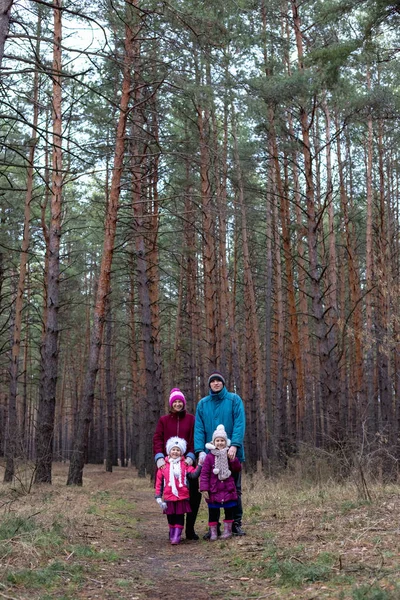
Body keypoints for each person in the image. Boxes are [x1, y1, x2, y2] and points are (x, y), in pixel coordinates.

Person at [194, 371, 246, 536]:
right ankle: (213, 527)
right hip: (211, 457)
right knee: (212, 490)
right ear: (209, 385)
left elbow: (239, 423)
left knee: (234, 490)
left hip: (231, 454)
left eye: (218, 381)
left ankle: (235, 524)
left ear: (223, 383)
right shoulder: (203, 404)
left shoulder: (234, 400)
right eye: (213, 381)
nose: (216, 383)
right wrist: (200, 451)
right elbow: (199, 429)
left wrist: (235, 445)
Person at [153, 387, 201, 540]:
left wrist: (191, 456)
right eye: (175, 402)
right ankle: (174, 529)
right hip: (168, 465)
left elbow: (195, 439)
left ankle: (190, 529)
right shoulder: (164, 421)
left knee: (193, 495)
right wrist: (160, 458)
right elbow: (157, 439)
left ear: (184, 403)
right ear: (171, 404)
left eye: (180, 402)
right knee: (171, 497)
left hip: (187, 464)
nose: (178, 404)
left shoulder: (191, 419)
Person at [154, 436, 201, 545]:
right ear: (169, 451)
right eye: (173, 449)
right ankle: (172, 532)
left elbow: (193, 475)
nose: (175, 452)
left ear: (181, 452)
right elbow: (159, 482)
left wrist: (200, 466)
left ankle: (177, 536)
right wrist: (158, 495)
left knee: (180, 516)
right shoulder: (163, 466)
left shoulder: (184, 465)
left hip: (182, 496)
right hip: (168, 497)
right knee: (170, 517)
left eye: (178, 450)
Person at [199, 424, 242, 540]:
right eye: (217, 440)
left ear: (226, 442)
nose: (220, 443)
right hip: (214, 489)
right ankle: (213, 532)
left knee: (229, 510)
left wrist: (233, 460)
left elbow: (237, 469)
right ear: (213, 442)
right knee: (213, 511)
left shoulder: (229, 455)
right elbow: (204, 474)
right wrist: (204, 488)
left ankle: (228, 530)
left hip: (228, 488)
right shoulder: (209, 457)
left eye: (222, 440)